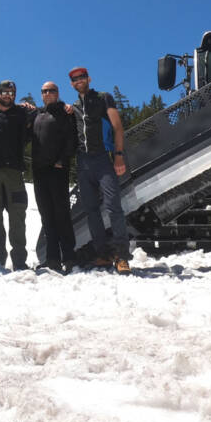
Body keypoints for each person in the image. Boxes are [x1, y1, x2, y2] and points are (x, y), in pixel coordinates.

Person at [69, 66, 131, 274]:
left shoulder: (104, 98)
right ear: (72, 84)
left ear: (88, 78)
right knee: (92, 210)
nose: (79, 81)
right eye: (75, 79)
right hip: (83, 163)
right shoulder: (75, 106)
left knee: (113, 206)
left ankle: (122, 255)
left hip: (103, 159)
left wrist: (119, 155)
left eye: (82, 77)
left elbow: (117, 126)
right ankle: (103, 254)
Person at [0, 80, 35, 269]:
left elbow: (39, 116)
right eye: (4, 92)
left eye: (11, 93)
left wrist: (30, 108)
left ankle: (19, 259)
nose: (8, 95)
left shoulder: (22, 113)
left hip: (13, 172)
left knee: (17, 215)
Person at [31, 81, 78, 273]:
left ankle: (69, 257)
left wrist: (62, 160)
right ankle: (52, 259)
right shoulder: (38, 115)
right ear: (41, 94)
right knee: (46, 216)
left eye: (52, 90)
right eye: (44, 91)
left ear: (58, 93)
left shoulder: (65, 112)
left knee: (61, 215)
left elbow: (72, 139)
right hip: (39, 172)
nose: (48, 93)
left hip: (57, 170)